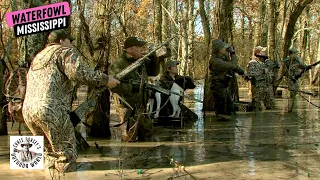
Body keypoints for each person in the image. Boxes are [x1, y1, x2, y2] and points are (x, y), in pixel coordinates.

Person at [22, 29, 120, 173]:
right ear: (61, 41)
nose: (72, 45)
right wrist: (106, 80)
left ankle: (51, 175)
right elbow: (80, 73)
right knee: (65, 156)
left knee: (48, 153)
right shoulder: (63, 52)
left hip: (28, 110)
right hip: (51, 110)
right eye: (70, 41)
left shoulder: (38, 57)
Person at [109, 36, 170, 142]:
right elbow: (114, 86)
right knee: (129, 140)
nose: (142, 49)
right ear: (129, 49)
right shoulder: (118, 64)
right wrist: (133, 87)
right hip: (127, 108)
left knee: (147, 136)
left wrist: (154, 58)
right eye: (139, 47)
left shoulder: (141, 61)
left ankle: (145, 158)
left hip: (142, 106)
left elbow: (154, 72)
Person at [209, 39, 246, 120]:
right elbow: (233, 65)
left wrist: (242, 73)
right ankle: (221, 125)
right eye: (223, 48)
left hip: (224, 85)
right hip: (217, 86)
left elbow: (234, 67)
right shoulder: (215, 61)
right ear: (218, 49)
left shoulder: (223, 57)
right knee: (222, 108)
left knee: (230, 108)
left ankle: (227, 124)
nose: (225, 49)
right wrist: (232, 53)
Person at [247, 46, 275, 110]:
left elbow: (272, 72)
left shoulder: (266, 62)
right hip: (258, 88)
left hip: (268, 88)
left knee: (271, 106)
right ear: (258, 53)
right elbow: (250, 74)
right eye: (263, 51)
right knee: (257, 107)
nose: (265, 52)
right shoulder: (253, 63)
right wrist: (262, 71)